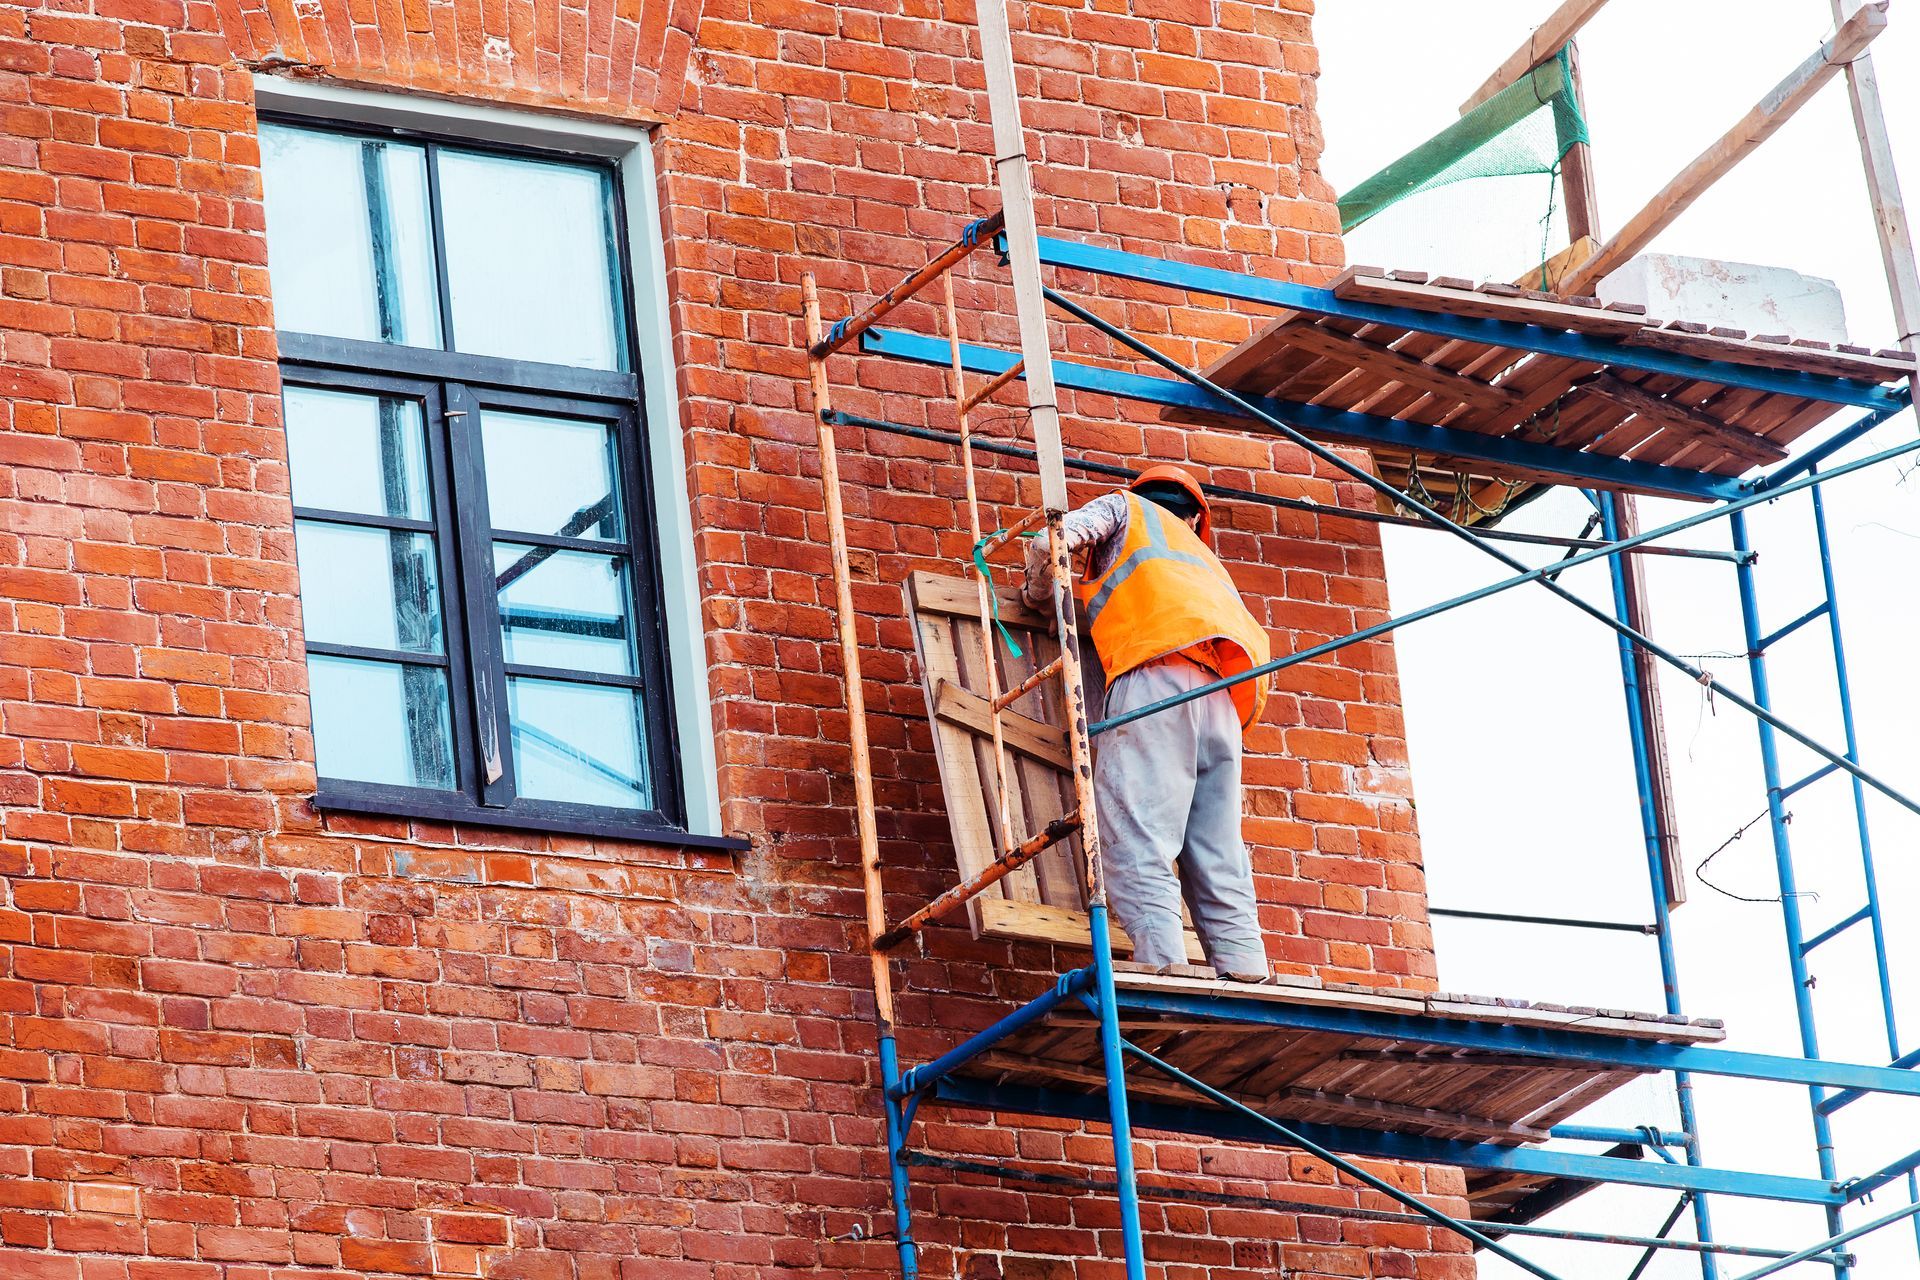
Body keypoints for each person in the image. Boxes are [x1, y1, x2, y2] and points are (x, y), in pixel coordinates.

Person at [1023, 465, 1273, 980]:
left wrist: (1036, 595)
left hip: (1155, 681)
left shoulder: (1124, 509)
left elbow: (1051, 541)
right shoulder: (1203, 564)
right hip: (1222, 701)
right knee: (1218, 851)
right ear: (1195, 517)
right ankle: (1248, 972)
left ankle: (1165, 972)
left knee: (1140, 835)